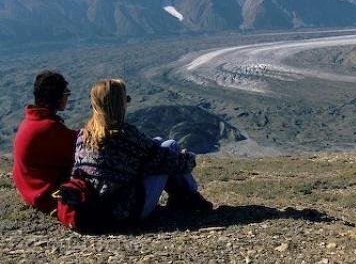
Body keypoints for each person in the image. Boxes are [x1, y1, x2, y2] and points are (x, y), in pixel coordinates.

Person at [71, 78, 212, 224]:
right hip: (125, 213)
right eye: (126, 99)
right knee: (170, 146)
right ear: (120, 104)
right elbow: (172, 163)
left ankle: (186, 199)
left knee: (158, 142)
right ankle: (192, 199)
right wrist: (189, 158)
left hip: (93, 210)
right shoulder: (125, 136)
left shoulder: (83, 135)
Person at [13, 71, 78, 213]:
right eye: (66, 94)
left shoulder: (30, 122)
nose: (67, 98)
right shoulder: (48, 127)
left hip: (30, 189)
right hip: (45, 195)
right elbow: (78, 151)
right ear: (58, 98)